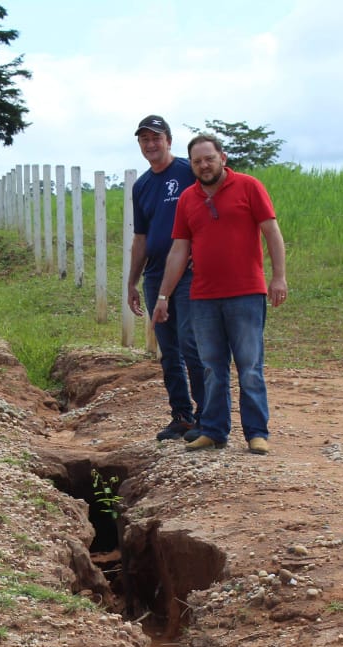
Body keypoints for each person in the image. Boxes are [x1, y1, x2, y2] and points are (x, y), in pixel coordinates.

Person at [151, 133, 288, 455]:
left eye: (209, 159)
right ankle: (213, 431)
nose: (203, 165)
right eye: (197, 161)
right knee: (212, 367)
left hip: (246, 294)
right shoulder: (187, 198)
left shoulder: (249, 187)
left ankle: (257, 433)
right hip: (202, 297)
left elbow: (271, 231)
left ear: (222, 158)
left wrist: (279, 278)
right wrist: (163, 296)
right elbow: (179, 250)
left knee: (249, 366)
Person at [125, 115, 205, 441]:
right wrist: (132, 281)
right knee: (168, 349)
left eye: (156, 138)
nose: (151, 144)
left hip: (188, 272)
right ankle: (181, 415)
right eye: (144, 139)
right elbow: (141, 238)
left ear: (168, 140)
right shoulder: (142, 186)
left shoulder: (188, 171)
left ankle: (207, 416)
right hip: (155, 274)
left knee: (191, 343)